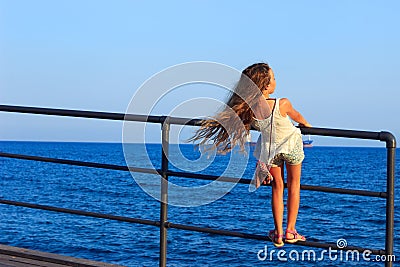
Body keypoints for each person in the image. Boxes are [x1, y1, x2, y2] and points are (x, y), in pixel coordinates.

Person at [190, 63, 311, 248]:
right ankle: (291, 230)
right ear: (266, 84)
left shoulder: (249, 109)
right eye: (274, 78)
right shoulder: (282, 103)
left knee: (277, 188)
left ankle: (278, 233)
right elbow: (298, 117)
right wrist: (307, 126)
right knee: (294, 185)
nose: (275, 81)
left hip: (270, 151)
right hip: (291, 146)